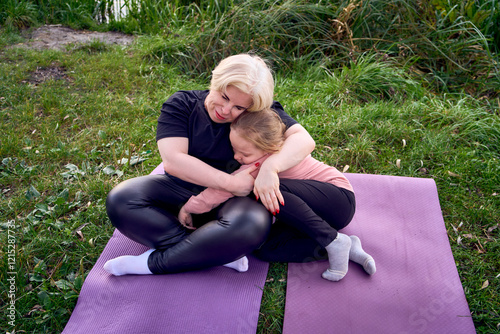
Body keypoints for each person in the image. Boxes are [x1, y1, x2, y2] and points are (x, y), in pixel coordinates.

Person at [103, 53, 316, 276]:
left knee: (250, 226)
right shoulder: (182, 104)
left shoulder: (259, 113)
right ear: (215, 81)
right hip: (181, 189)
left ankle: (155, 263)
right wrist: (231, 183)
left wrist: (271, 167)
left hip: (233, 202)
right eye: (224, 97)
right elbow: (174, 161)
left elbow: (304, 140)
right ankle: (213, 252)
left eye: (239, 108)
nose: (226, 110)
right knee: (121, 199)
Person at [178, 109, 376, 281]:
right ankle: (345, 246)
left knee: (265, 188)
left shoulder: (262, 163)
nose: (237, 157)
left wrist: (191, 207)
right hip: (314, 213)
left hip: (338, 200)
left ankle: (332, 241)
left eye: (244, 154)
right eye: (234, 150)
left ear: (269, 148)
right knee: (266, 248)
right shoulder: (257, 156)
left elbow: (223, 189)